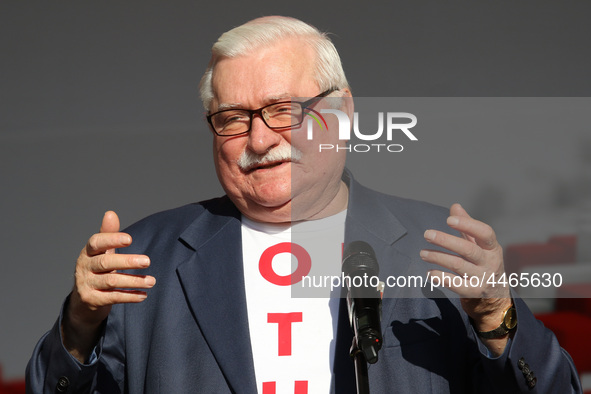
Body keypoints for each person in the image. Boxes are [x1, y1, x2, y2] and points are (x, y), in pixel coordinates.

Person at [27, 16, 581, 393]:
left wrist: (494, 316)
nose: (261, 139)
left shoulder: (433, 246)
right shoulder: (145, 260)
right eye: (232, 118)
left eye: (282, 110)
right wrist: (79, 327)